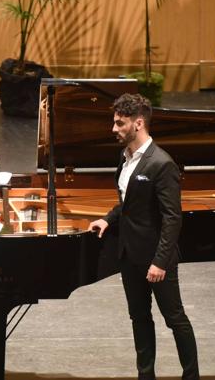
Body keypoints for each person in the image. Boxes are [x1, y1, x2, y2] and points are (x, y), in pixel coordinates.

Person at [88, 94, 199, 380]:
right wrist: (108, 218)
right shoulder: (124, 159)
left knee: (175, 319)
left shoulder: (162, 164)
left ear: (138, 124)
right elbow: (128, 203)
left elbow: (173, 218)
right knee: (139, 318)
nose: (114, 129)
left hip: (156, 260)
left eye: (119, 123)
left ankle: (191, 375)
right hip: (129, 256)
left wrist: (160, 262)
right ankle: (145, 375)